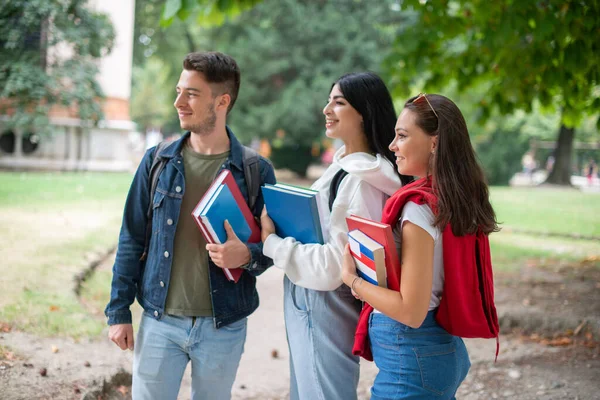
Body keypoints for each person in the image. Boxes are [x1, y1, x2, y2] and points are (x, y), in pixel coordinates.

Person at [104, 51, 276, 400]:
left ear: (222, 101)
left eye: (191, 94)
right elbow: (131, 237)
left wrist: (246, 256)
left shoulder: (256, 171)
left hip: (223, 326)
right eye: (179, 91)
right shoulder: (157, 161)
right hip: (159, 321)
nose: (178, 102)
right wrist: (119, 310)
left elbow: (274, 251)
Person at [260, 72, 411, 400]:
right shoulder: (350, 168)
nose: (327, 109)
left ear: (364, 111)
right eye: (329, 100)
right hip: (316, 299)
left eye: (338, 102)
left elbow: (335, 266)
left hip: (324, 300)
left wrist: (272, 243)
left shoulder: (362, 180)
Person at [341, 93, 500, 399]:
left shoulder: (418, 209)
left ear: (434, 143)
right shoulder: (453, 198)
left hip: (413, 359)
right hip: (436, 350)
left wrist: (353, 281)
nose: (392, 146)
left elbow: (410, 311)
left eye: (402, 136)